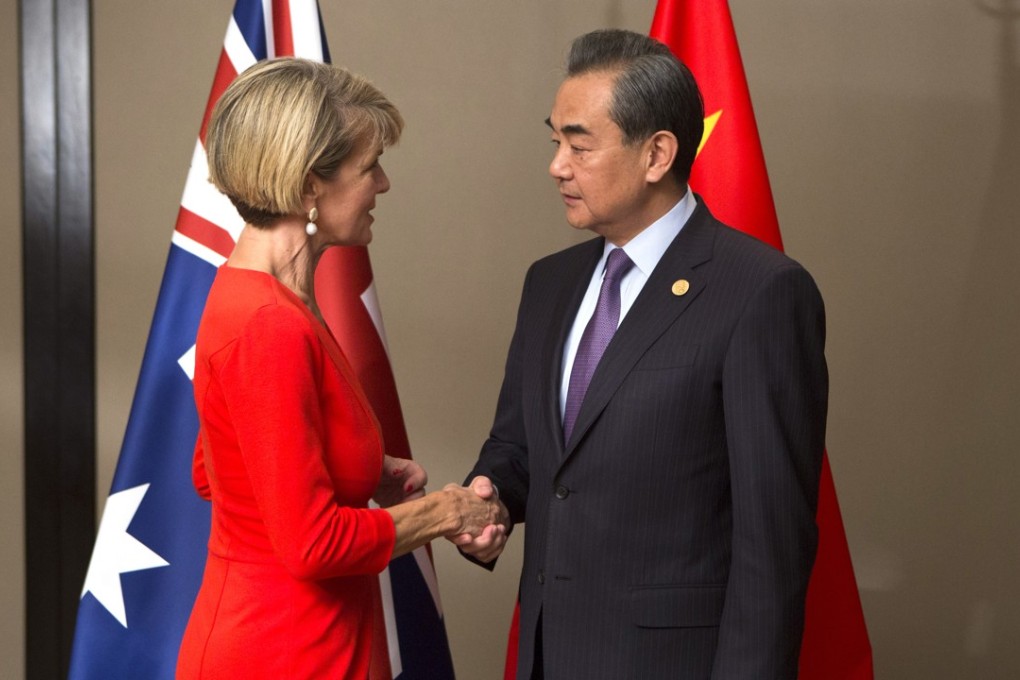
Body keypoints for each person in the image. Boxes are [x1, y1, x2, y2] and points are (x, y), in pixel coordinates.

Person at [453, 29, 828, 679]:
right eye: (555, 142)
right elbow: (521, 449)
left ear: (657, 154)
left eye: (579, 144)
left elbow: (774, 545)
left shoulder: (760, 292)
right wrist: (490, 496)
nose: (556, 166)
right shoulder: (549, 283)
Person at [175, 58, 503, 679]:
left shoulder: (263, 296)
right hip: (282, 654)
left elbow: (217, 471)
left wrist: (361, 470)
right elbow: (311, 543)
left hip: (312, 642)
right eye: (368, 166)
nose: (383, 184)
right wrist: (447, 512)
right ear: (306, 188)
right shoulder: (269, 323)